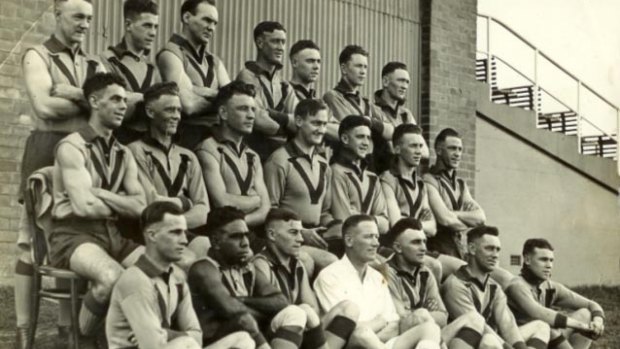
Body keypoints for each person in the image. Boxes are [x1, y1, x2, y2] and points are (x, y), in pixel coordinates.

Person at [15, 0, 105, 345]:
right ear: (57, 15)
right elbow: (45, 107)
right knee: (31, 243)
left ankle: (68, 332)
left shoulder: (93, 62)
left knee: (77, 238)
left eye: (90, 18)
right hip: (45, 149)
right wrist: (89, 101)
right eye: (78, 16)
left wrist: (75, 94)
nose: (85, 23)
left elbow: (113, 105)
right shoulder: (37, 55)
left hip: (85, 154)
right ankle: (24, 332)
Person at [49, 73, 146, 346]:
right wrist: (120, 203)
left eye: (125, 101)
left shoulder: (123, 153)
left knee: (163, 269)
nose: (123, 106)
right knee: (110, 277)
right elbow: (83, 206)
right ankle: (79, 340)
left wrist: (102, 193)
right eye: (115, 99)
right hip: (72, 236)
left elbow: (140, 207)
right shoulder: (72, 146)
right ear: (93, 101)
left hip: (111, 235)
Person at [106, 201, 254, 349]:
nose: (184, 240)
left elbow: (197, 336)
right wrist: (178, 337)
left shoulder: (177, 278)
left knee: (243, 340)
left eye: (184, 232)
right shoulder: (135, 280)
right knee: (186, 343)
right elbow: (154, 345)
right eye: (175, 232)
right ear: (152, 235)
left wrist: (168, 334)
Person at [314, 215, 442, 349]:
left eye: (377, 237)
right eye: (369, 236)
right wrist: (379, 322)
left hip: (381, 343)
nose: (376, 243)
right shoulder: (330, 276)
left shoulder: (377, 277)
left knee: (429, 328)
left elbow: (393, 322)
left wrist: (377, 329)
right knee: (363, 334)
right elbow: (345, 330)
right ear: (349, 240)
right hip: (353, 345)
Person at [187, 207, 308, 349]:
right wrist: (261, 312)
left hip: (249, 336)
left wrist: (241, 299)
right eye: (236, 236)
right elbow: (232, 311)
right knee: (243, 324)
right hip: (216, 342)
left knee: (295, 312)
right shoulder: (203, 269)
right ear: (216, 241)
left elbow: (281, 301)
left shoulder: (245, 267)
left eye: (246, 235)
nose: (245, 243)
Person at [253, 208, 360, 349]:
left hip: (300, 328)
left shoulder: (297, 264)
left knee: (349, 308)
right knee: (301, 311)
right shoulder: (260, 263)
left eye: (300, 232)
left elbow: (313, 308)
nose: (301, 239)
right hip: (273, 335)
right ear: (272, 235)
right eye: (293, 233)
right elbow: (270, 310)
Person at [383, 218, 489, 349]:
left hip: (430, 335)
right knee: (422, 314)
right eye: (416, 242)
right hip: (400, 340)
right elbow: (401, 319)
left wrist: (421, 314)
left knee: (475, 318)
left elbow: (443, 316)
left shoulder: (425, 272)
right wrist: (424, 312)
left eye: (424, 242)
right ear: (398, 247)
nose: (423, 248)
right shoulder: (386, 272)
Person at [442, 226, 551, 349]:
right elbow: (481, 327)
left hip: (492, 341)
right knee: (489, 339)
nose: (495, 255)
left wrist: (520, 347)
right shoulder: (455, 284)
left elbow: (507, 324)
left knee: (541, 326)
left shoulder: (494, 286)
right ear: (472, 249)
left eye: (498, 250)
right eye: (489, 249)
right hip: (465, 343)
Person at [263, 99, 339, 275]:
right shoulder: (279, 160)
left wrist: (338, 228)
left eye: (324, 124)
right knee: (331, 263)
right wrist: (301, 232)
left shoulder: (323, 164)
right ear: (298, 121)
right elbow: (270, 211)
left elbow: (325, 212)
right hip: (287, 238)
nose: (321, 130)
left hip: (315, 237)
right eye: (316, 123)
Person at [128, 82, 209, 242]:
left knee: (203, 244)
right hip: (148, 236)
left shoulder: (188, 156)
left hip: (181, 232)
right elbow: (151, 203)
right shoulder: (134, 150)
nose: (177, 116)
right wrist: (185, 202)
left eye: (178, 110)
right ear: (150, 112)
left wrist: (176, 225)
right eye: (169, 110)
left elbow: (203, 212)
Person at [195, 81, 270, 229]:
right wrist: (255, 200)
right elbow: (222, 202)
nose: (250, 116)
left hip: (247, 231)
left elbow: (265, 210)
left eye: (253, 110)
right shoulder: (207, 149)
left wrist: (242, 223)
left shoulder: (252, 156)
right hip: (221, 235)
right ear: (223, 113)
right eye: (243, 109)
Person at [157, 0, 231, 149]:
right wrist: (220, 97)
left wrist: (197, 90)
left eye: (215, 23)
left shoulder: (214, 61)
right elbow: (188, 105)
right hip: (189, 138)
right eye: (207, 20)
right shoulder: (171, 53)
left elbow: (233, 102)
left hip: (219, 137)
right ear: (187, 18)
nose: (211, 28)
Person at [505, 239, 605, 349]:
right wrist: (582, 327)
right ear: (527, 260)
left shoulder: (549, 286)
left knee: (585, 314)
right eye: (543, 260)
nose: (549, 265)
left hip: (546, 337)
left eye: (551, 260)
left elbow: (591, 304)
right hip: (521, 341)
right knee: (549, 328)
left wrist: (597, 322)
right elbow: (540, 314)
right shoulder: (517, 285)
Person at [100, 0, 162, 144]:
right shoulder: (108, 59)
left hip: (149, 145)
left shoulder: (152, 68)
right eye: (147, 25)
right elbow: (111, 103)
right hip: (118, 142)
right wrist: (151, 101)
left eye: (155, 27)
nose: (153, 33)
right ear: (128, 25)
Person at [322, 45, 393, 169]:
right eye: (358, 66)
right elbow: (351, 127)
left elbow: (391, 131)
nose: (363, 71)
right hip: (346, 164)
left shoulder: (367, 103)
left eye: (365, 67)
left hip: (369, 165)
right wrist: (375, 126)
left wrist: (370, 122)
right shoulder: (332, 97)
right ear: (344, 68)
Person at [237, 21, 298, 161]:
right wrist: (288, 126)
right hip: (254, 154)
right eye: (276, 41)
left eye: (283, 42)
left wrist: (274, 115)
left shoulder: (284, 85)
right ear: (260, 43)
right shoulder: (247, 76)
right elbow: (258, 119)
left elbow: (302, 122)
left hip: (282, 157)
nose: (281, 48)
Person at [423, 128, 485, 259]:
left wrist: (454, 214)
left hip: (460, 249)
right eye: (452, 148)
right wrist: (468, 222)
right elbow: (445, 220)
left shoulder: (461, 184)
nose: (457, 154)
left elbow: (480, 218)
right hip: (438, 250)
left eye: (460, 149)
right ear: (439, 151)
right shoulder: (429, 180)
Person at [330, 116, 388, 237]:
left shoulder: (373, 177)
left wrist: (357, 215)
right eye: (360, 137)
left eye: (368, 138)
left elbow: (385, 225)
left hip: (370, 241)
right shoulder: (335, 171)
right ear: (345, 139)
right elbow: (344, 221)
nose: (366, 143)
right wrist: (375, 219)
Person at [373, 62, 428, 173]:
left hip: (405, 179)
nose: (405, 86)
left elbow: (425, 152)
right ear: (385, 81)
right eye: (400, 80)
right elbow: (390, 151)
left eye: (407, 82)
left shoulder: (406, 115)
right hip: (381, 176)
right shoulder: (372, 110)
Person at [381, 124, 435, 235]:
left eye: (420, 146)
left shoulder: (421, 184)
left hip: (418, 244)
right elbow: (396, 223)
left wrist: (408, 222)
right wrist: (420, 223)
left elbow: (433, 228)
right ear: (397, 149)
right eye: (413, 146)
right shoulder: (387, 179)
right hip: (395, 245)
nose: (419, 151)